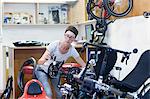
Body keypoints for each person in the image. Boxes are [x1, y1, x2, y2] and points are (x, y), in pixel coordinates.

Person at [35, 26, 86, 99]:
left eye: (71, 37)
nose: (68, 39)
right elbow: (39, 62)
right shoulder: (54, 45)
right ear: (64, 35)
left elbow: (83, 64)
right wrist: (45, 59)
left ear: (74, 39)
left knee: (60, 94)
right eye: (67, 36)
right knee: (49, 94)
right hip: (42, 70)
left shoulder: (72, 50)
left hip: (54, 72)